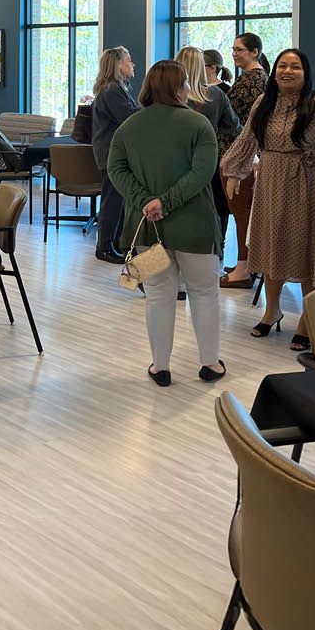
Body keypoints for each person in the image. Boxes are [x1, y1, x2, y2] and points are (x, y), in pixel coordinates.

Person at [108, 60, 225, 387]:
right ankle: (210, 363)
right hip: (195, 226)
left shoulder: (128, 127)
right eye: (186, 83)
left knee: (158, 295)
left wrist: (147, 200)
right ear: (179, 87)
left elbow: (116, 170)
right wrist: (167, 201)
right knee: (204, 293)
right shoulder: (199, 124)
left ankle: (160, 367)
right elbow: (202, 173)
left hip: (146, 226)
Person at [221, 49, 315, 349]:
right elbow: (248, 138)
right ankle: (272, 310)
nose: (287, 71)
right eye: (282, 66)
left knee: (307, 247)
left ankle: (308, 319)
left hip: (306, 183)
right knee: (271, 244)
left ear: (306, 73)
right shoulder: (264, 102)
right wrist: (234, 171)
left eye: (295, 67)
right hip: (270, 182)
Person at [176, 46, 240, 246]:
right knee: (210, 209)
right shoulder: (216, 95)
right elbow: (235, 129)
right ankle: (212, 248)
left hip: (174, 164)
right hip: (206, 163)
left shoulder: (167, 96)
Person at [220, 33, 269, 287]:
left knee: (242, 213)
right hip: (237, 154)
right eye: (233, 49)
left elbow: (245, 122)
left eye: (239, 50)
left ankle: (243, 270)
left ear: (254, 52)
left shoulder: (254, 79)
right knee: (241, 212)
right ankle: (244, 264)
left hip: (241, 156)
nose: (234, 54)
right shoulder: (250, 78)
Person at [91, 46, 140, 263]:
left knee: (118, 200)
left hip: (113, 152)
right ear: (119, 65)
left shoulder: (116, 88)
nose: (133, 64)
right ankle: (104, 247)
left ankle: (117, 243)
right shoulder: (112, 90)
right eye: (129, 61)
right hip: (111, 153)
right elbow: (128, 117)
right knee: (112, 201)